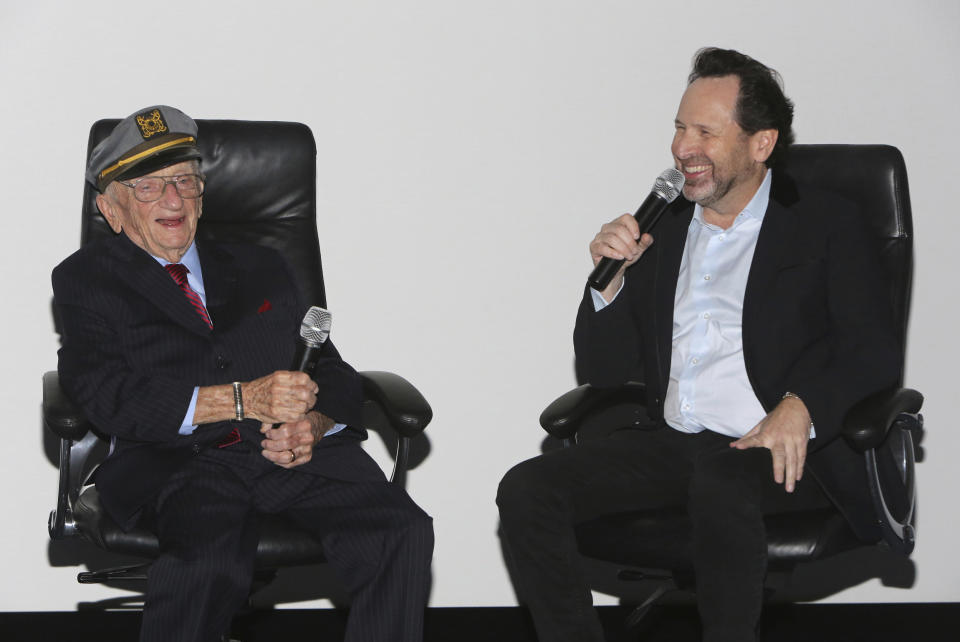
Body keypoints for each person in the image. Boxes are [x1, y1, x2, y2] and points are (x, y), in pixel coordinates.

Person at [497, 48, 901, 642]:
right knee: (527, 488)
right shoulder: (661, 227)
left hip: (775, 449)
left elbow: (873, 349)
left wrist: (803, 404)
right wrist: (608, 284)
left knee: (722, 478)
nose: (683, 148)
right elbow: (606, 370)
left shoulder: (827, 222)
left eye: (706, 132)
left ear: (760, 144)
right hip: (676, 440)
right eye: (680, 128)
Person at [53, 105, 433, 642]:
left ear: (203, 195)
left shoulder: (263, 264)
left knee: (400, 531)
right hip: (185, 462)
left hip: (296, 455)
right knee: (207, 562)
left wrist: (318, 422)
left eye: (185, 180)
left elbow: (330, 366)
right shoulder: (86, 280)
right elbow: (105, 396)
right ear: (110, 210)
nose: (172, 199)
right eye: (148, 186)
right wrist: (240, 399)